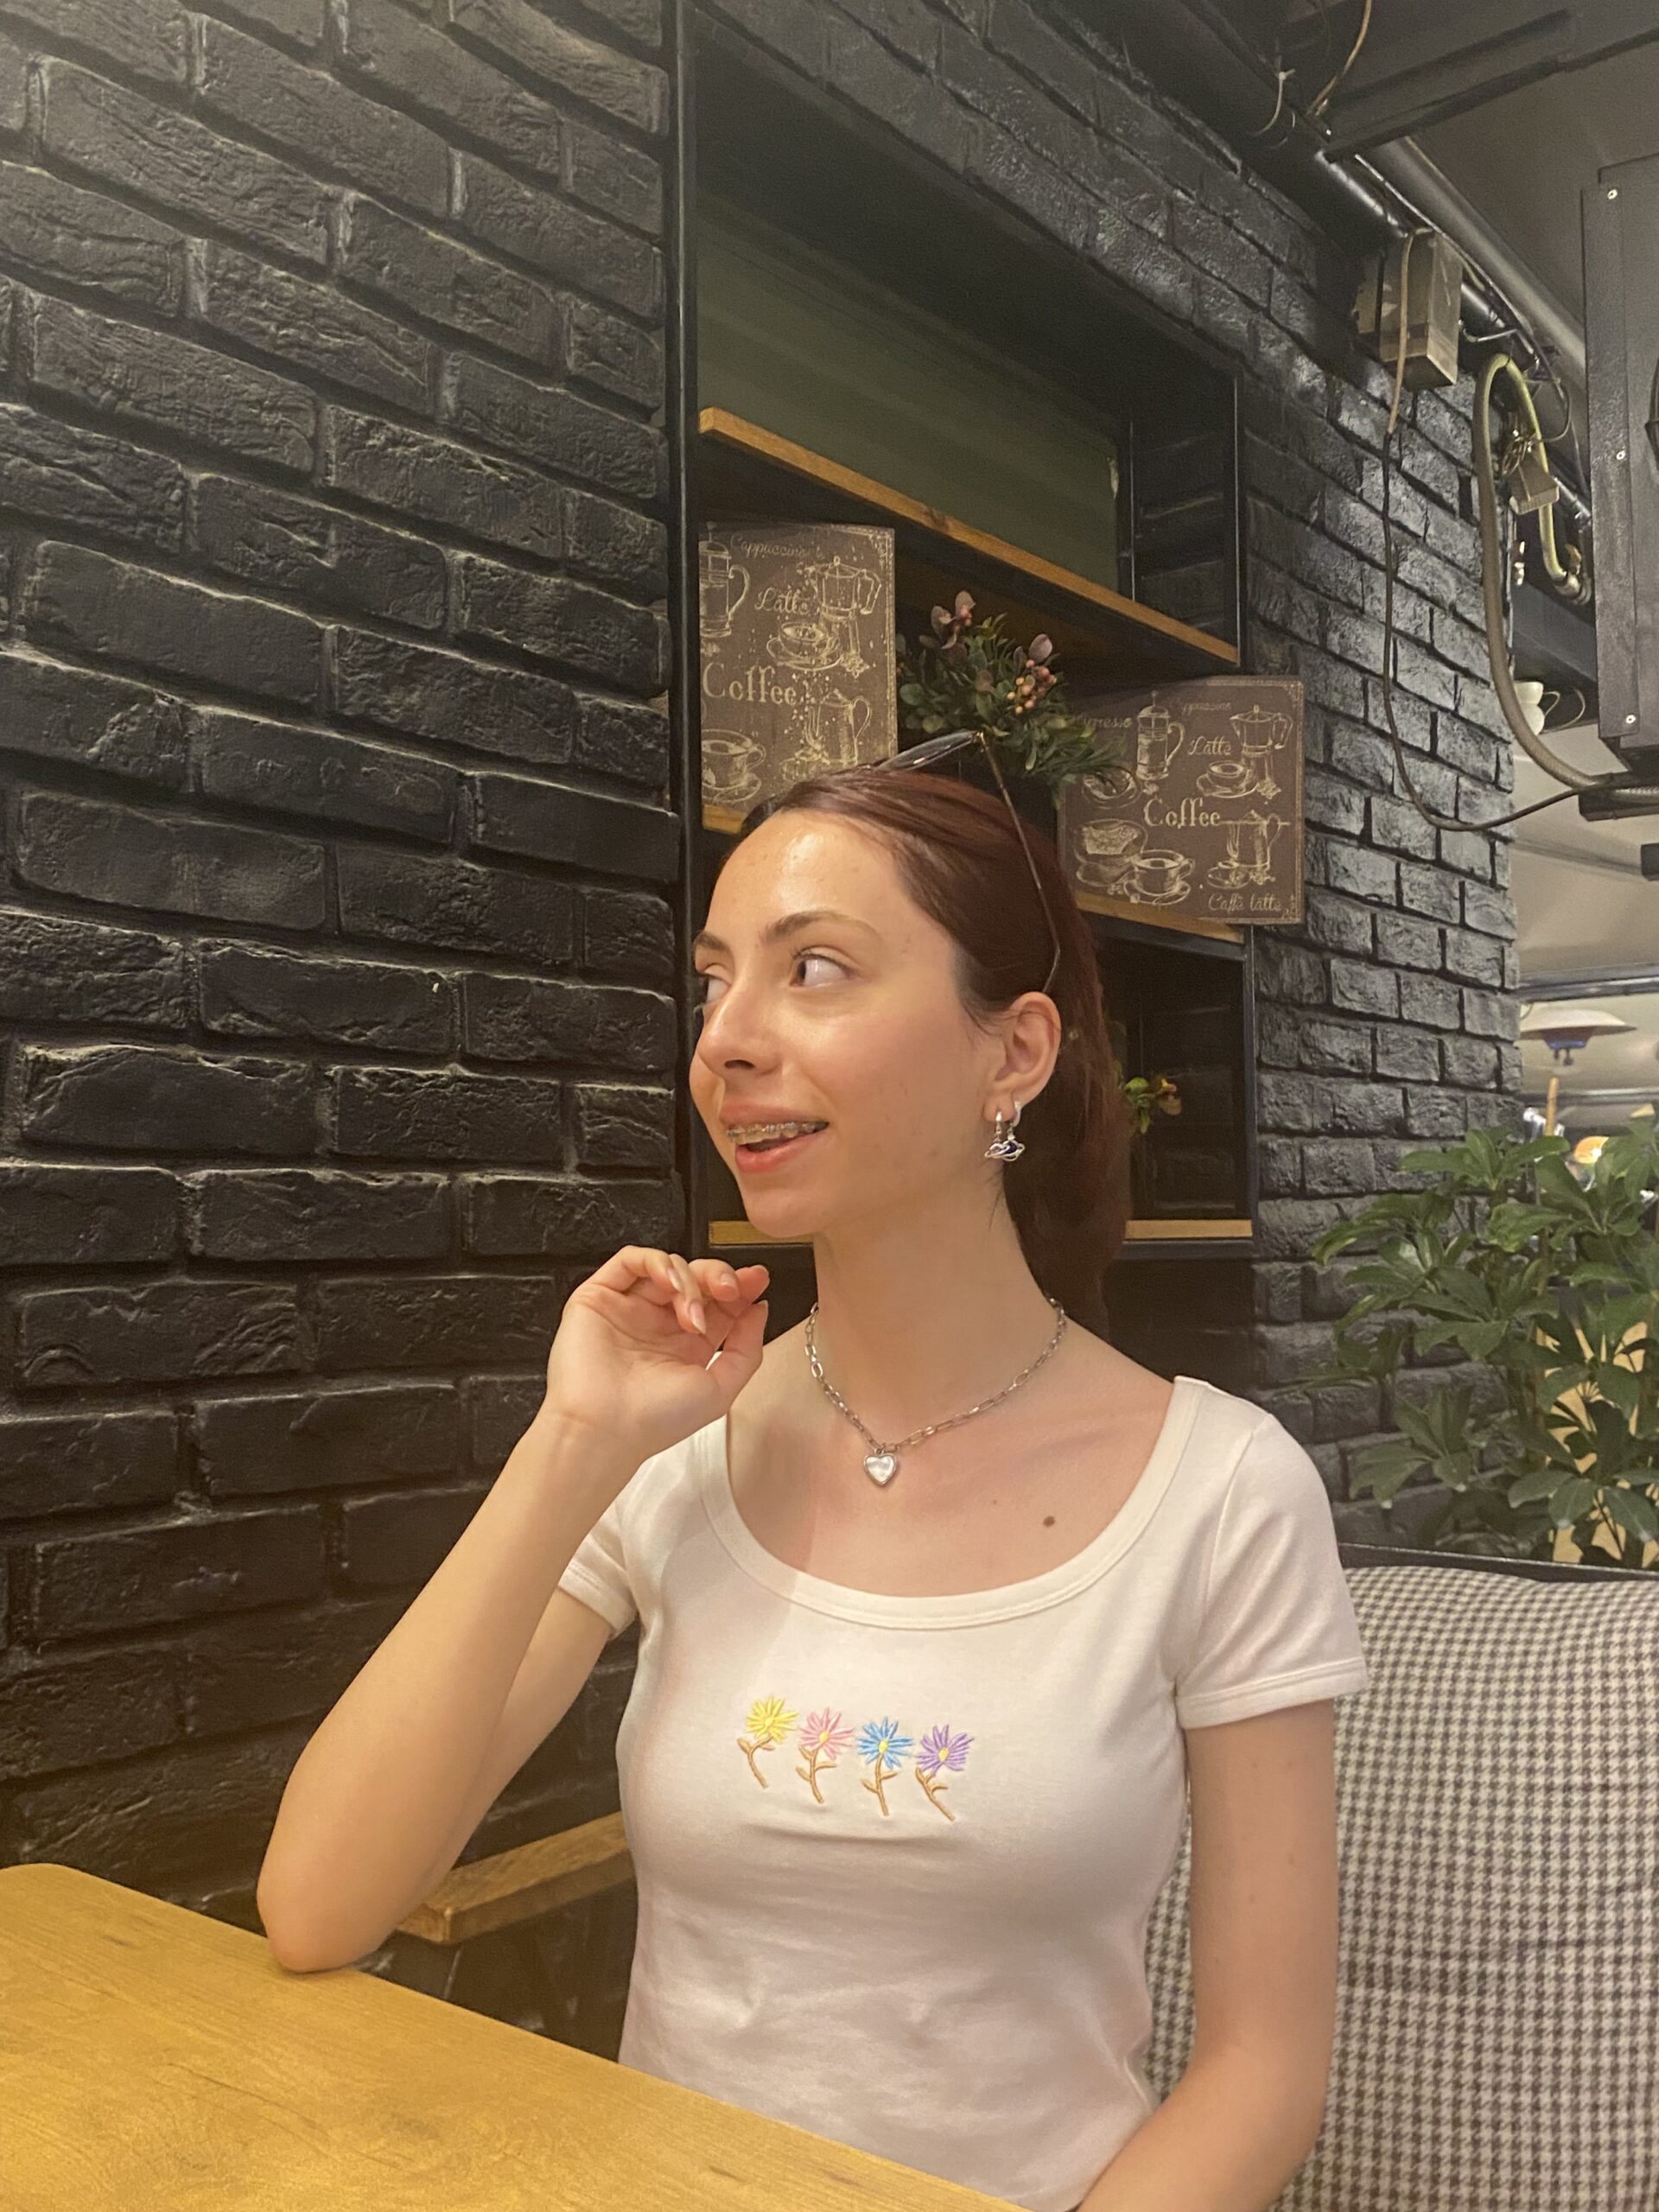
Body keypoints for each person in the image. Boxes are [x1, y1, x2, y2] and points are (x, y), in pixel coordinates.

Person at [257, 765, 1370, 2212]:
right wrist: (576, 1442)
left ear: (1015, 1050)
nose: (726, 1040)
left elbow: (1265, 2070)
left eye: (817, 971)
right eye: (715, 983)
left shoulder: (1220, 1493)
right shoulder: (677, 1443)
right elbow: (318, 1904)